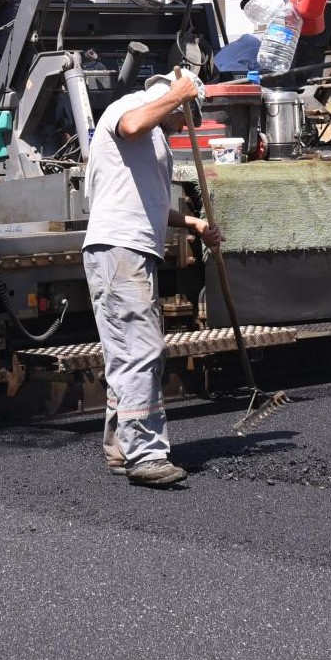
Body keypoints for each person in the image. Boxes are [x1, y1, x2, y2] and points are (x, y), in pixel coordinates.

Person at [85, 65, 219, 490]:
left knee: (128, 351)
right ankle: (146, 453)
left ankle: (122, 448)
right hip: (119, 248)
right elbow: (131, 124)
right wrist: (177, 94)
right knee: (142, 349)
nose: (184, 125)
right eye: (185, 115)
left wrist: (192, 223)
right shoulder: (132, 109)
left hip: (131, 247)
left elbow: (148, 201)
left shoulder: (154, 136)